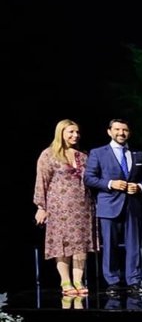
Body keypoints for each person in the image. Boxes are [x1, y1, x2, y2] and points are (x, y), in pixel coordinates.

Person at [33, 119, 98, 296]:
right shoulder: (49, 155)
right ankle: (65, 281)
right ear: (61, 133)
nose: (75, 135)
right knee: (61, 244)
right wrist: (41, 206)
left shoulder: (83, 156)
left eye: (77, 132)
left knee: (81, 243)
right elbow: (41, 182)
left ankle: (78, 280)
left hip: (82, 206)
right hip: (59, 208)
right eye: (71, 132)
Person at [83, 118, 142, 293]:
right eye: (117, 129)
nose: (121, 133)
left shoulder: (138, 154)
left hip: (133, 205)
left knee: (134, 245)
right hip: (109, 205)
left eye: (125, 130)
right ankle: (112, 281)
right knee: (110, 246)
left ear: (129, 132)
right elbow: (89, 178)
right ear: (109, 131)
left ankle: (134, 281)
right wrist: (111, 184)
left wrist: (139, 186)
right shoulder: (98, 153)